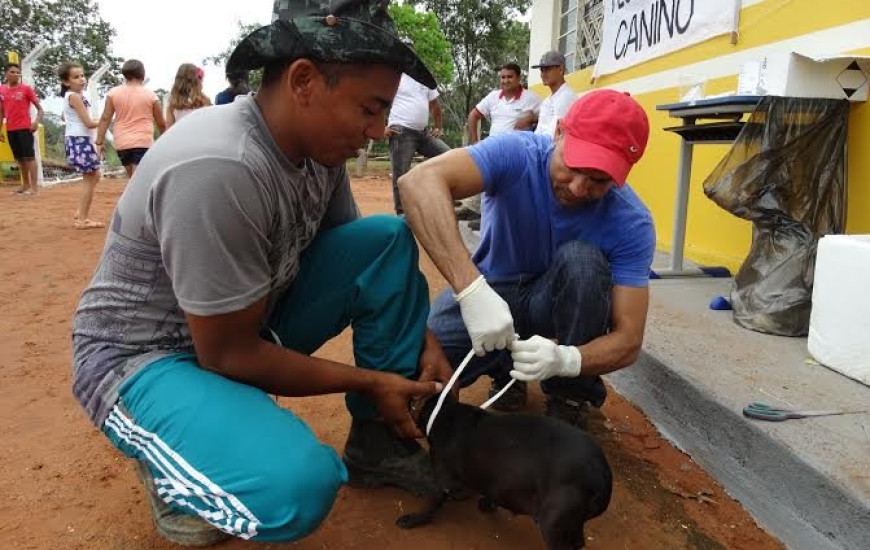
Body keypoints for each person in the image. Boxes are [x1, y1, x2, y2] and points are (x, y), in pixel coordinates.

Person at [71, 1, 452, 546]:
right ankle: (177, 464)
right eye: (369, 108)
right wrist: (372, 379)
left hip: (244, 321)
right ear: (303, 81)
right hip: (145, 358)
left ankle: (377, 443)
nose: (375, 131)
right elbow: (226, 355)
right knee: (293, 489)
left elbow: (364, 255)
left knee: (387, 239)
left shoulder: (318, 151)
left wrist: (421, 334)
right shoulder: (219, 166)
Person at [400, 89, 655, 425]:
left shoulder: (631, 222)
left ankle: (569, 395)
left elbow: (628, 339)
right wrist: (471, 291)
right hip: (492, 289)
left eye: (599, 180)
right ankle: (506, 372)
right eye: (574, 166)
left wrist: (568, 359)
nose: (579, 188)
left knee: (583, 263)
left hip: (551, 305)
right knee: (414, 369)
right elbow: (418, 182)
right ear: (559, 131)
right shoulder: (517, 153)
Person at [457, 63, 541, 228]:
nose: (505, 80)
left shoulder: (532, 98)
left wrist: (531, 119)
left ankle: (504, 225)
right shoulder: (493, 97)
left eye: (510, 76)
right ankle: (486, 221)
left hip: (517, 152)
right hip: (492, 150)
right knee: (488, 188)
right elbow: (474, 116)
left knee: (510, 191)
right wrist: (476, 141)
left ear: (519, 78)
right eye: (503, 77)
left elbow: (546, 117)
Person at [384, 41, 450, 215]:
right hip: (401, 131)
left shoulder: (424, 77)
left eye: (411, 54)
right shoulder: (392, 76)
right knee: (401, 175)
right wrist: (382, 128)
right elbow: (377, 102)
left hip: (424, 133)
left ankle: (439, 199)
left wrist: (438, 127)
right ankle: (402, 215)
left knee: (449, 156)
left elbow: (435, 105)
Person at [96, 59, 166, 178]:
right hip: (143, 142)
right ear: (142, 75)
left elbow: (105, 118)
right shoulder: (151, 96)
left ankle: (133, 196)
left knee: (133, 179)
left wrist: (99, 141)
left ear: (125, 75)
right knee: (137, 181)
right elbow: (161, 123)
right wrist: (167, 139)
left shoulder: (113, 93)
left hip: (121, 143)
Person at [59, 62, 103, 229]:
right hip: (80, 139)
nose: (81, 79)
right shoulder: (75, 97)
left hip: (78, 138)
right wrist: (107, 120)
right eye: (76, 77)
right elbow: (89, 123)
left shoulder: (74, 96)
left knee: (95, 175)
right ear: (66, 81)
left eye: (82, 76)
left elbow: (64, 117)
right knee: (90, 177)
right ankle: (83, 219)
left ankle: (81, 212)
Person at [0, 62, 44, 196]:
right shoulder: (2, 90)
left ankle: (34, 188)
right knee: (20, 159)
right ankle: (25, 185)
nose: (15, 74)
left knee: (30, 157)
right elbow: (1, 111)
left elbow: (40, 109)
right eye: (12, 72)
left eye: (17, 72)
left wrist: (36, 122)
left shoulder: (26, 89)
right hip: (10, 129)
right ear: (6, 74)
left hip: (25, 128)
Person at [530, 51, 577, 138]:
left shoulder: (566, 96)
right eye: (542, 70)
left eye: (547, 69)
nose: (543, 74)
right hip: (541, 147)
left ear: (560, 70)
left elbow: (554, 135)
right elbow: (539, 130)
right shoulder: (547, 100)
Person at [165, 63, 211, 129]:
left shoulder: (172, 106)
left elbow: (168, 132)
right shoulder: (205, 101)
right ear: (197, 80)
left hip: (181, 138)